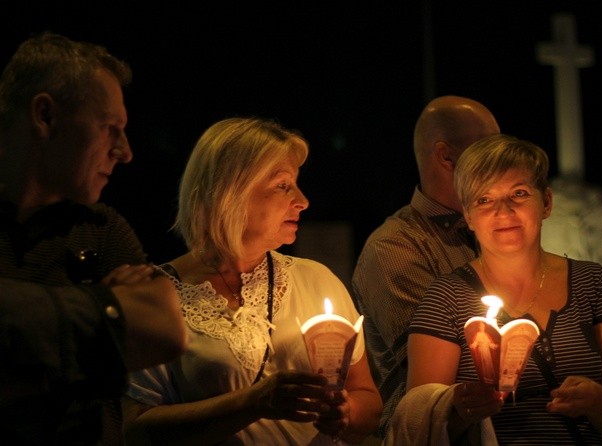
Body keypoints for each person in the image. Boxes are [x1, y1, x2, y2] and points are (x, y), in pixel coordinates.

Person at [122, 117, 382, 445]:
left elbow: (369, 402)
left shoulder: (316, 280)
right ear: (230, 193)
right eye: (283, 185)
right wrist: (253, 402)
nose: (303, 200)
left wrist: (347, 413)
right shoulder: (154, 296)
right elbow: (134, 430)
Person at [0, 32, 187, 444]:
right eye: (110, 128)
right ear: (45, 117)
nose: (125, 151)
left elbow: (161, 326)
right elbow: (133, 327)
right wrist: (106, 309)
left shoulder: (101, 229)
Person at [401, 134, 602, 444]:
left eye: (519, 193)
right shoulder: (445, 298)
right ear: (468, 216)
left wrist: (598, 400)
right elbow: (418, 421)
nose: (503, 211)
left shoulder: (592, 283)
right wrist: (462, 409)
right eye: (484, 199)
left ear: (546, 203)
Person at [351, 95, 500, 437]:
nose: (501, 159)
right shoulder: (396, 247)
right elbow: (448, 365)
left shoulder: (489, 231)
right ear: (446, 156)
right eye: (488, 148)